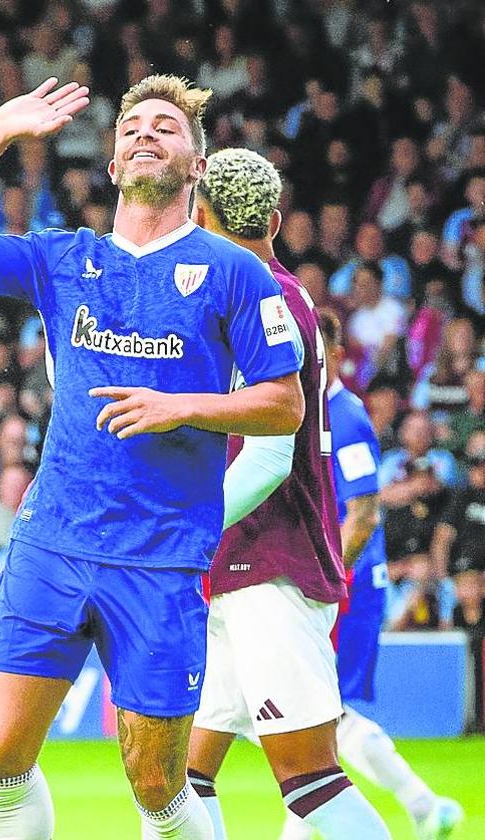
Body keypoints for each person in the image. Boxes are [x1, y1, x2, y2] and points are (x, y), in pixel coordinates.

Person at [0, 74, 304, 839]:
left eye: (167, 127)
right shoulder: (62, 258)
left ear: (197, 166)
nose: (146, 133)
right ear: (111, 166)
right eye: (133, 126)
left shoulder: (235, 272)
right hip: (52, 540)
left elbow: (285, 404)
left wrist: (184, 407)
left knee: (156, 784)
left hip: (162, 554)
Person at [184, 147, 389, 838]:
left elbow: (267, 452)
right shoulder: (283, 293)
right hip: (241, 563)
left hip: (269, 563)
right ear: (274, 219)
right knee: (181, 777)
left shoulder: (259, 301)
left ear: (201, 217)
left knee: (309, 783)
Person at [321, 313, 465, 840]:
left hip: (347, 584)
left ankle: (422, 806)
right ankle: (425, 806)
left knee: (313, 719)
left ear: (334, 354)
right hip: (338, 582)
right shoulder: (315, 412)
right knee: (309, 720)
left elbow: (364, 511)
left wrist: (328, 576)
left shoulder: (345, 417)